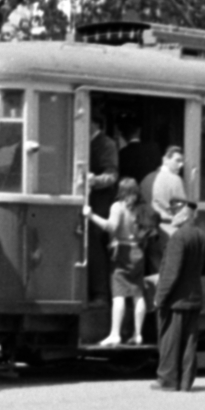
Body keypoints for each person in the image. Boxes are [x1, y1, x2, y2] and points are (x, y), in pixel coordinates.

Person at [153, 199, 205, 392]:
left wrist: (160, 298)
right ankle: (186, 382)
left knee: (170, 341)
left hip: (176, 300)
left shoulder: (178, 237)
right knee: (189, 342)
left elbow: (171, 273)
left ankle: (168, 381)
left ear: (185, 215)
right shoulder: (203, 237)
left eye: (175, 212)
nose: (172, 215)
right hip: (195, 298)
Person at [86, 177, 147, 346]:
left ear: (121, 191)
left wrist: (91, 215)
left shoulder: (118, 207)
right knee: (137, 294)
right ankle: (138, 334)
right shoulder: (140, 208)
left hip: (122, 252)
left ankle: (115, 334)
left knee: (118, 295)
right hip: (138, 250)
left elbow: (111, 227)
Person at [87, 124, 120, 301]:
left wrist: (94, 181)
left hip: (101, 203)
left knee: (96, 244)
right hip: (90, 203)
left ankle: (100, 293)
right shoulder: (88, 141)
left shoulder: (106, 144)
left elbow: (112, 175)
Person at [148, 146, 187, 234]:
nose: (181, 165)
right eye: (177, 160)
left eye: (182, 161)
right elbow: (181, 213)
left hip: (152, 232)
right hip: (171, 231)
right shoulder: (175, 180)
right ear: (165, 160)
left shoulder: (149, 178)